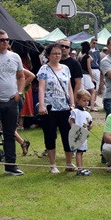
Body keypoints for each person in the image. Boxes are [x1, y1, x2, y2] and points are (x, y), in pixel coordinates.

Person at [0, 30, 31, 178]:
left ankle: (11, 166)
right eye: (1, 40)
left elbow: (21, 76)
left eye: (7, 39)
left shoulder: (15, 57)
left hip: (11, 100)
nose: (5, 42)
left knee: (9, 134)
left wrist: (19, 92)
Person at [36, 42, 74, 174]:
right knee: (50, 135)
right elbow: (41, 87)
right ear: (48, 55)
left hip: (65, 106)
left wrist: (72, 104)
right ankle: (52, 164)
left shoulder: (66, 68)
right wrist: (41, 104)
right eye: (54, 53)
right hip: (50, 107)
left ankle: (69, 162)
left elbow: (69, 87)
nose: (57, 55)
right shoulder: (44, 69)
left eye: (59, 53)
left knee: (67, 134)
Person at [69, 90, 93, 176]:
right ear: (78, 100)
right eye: (84, 100)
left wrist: (89, 127)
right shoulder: (75, 111)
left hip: (84, 134)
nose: (86, 103)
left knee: (81, 152)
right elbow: (71, 121)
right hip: (78, 134)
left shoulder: (87, 113)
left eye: (87, 101)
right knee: (79, 151)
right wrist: (75, 130)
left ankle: (81, 167)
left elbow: (89, 123)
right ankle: (79, 169)